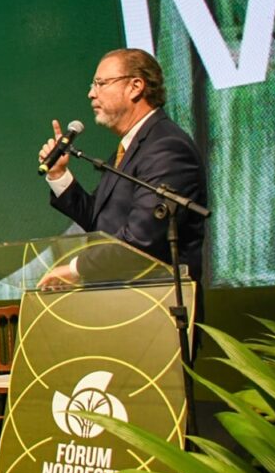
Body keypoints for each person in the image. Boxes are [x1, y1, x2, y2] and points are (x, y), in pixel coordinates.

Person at [36, 48, 207, 292]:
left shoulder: (166, 147)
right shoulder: (129, 147)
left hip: (156, 303)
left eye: (100, 83)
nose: (91, 94)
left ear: (135, 86)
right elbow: (100, 219)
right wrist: (58, 175)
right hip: (123, 303)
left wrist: (75, 269)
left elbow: (143, 239)